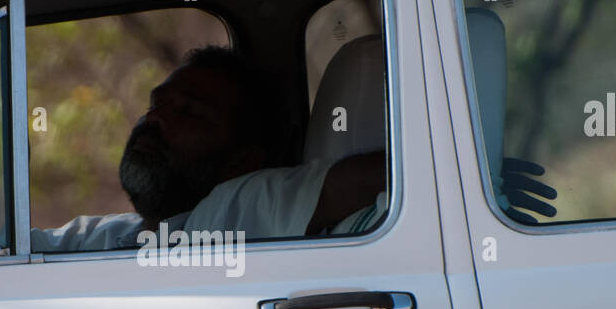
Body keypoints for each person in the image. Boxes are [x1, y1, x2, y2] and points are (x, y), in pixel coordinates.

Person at [31, 44, 385, 251]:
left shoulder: (235, 208)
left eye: (189, 112)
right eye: (156, 104)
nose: (154, 119)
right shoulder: (114, 235)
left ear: (243, 159)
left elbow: (358, 183)